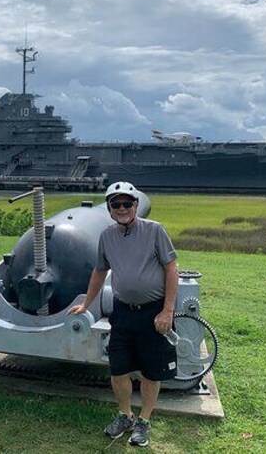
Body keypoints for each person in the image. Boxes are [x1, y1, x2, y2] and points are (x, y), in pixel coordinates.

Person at [68, 181, 178, 448]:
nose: (122, 208)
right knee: (118, 369)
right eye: (115, 204)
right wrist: (86, 303)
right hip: (123, 312)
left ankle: (144, 421)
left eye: (127, 203)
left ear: (136, 206)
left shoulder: (155, 231)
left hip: (152, 312)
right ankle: (125, 415)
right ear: (109, 208)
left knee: (151, 372)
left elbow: (171, 269)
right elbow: (99, 271)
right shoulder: (107, 236)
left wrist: (167, 310)